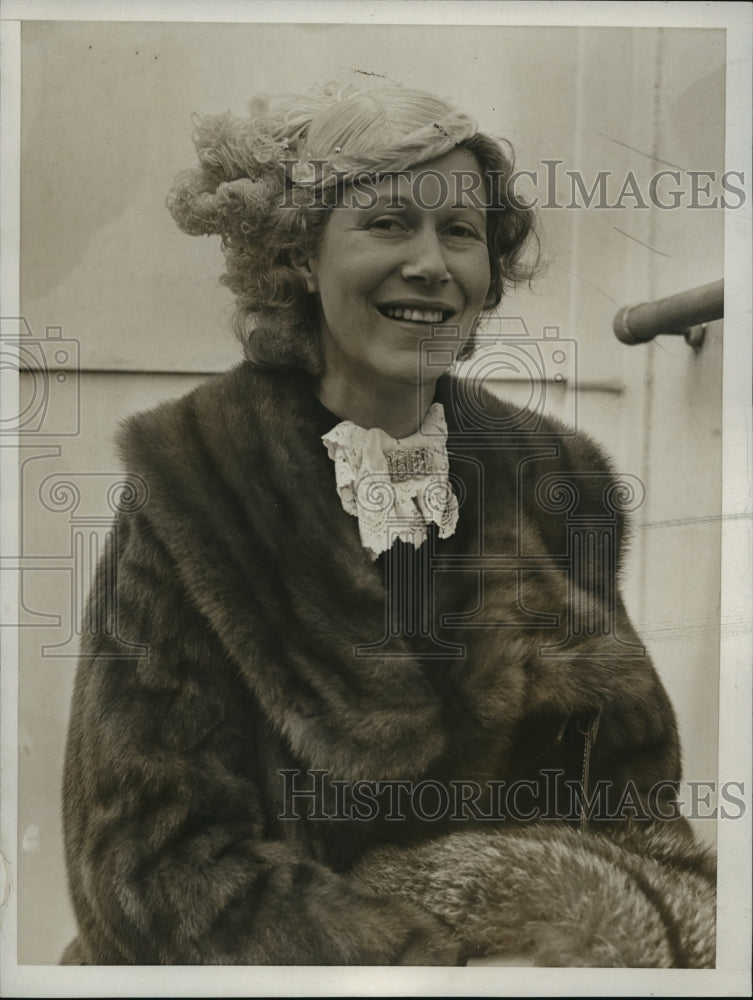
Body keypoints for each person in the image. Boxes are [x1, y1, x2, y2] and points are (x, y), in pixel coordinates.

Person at [61, 82, 716, 967]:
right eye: (386, 223)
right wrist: (417, 962)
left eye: (461, 232)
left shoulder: (557, 478)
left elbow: (631, 795)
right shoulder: (196, 479)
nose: (430, 263)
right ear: (297, 256)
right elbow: (143, 860)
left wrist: (588, 934)